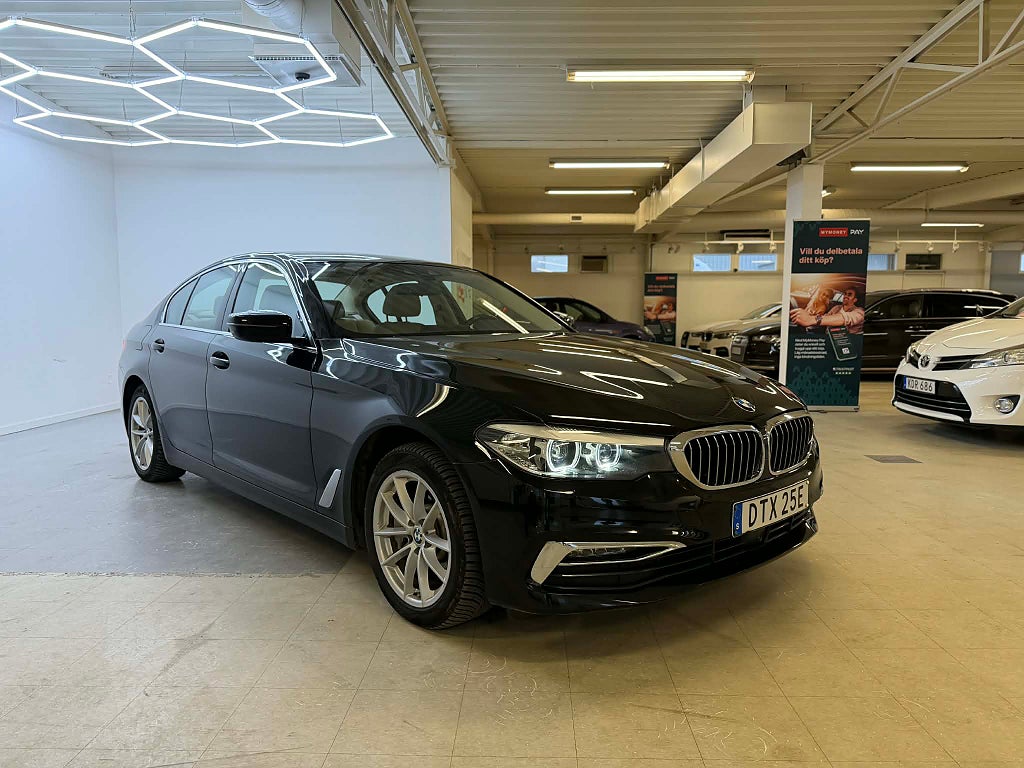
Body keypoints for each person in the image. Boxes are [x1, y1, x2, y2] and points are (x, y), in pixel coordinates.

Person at [790, 286, 864, 334]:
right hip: (828, 338)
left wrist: (811, 319)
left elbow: (845, 319)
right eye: (845, 294)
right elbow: (825, 317)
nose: (845, 296)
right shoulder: (836, 308)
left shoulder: (859, 312)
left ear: (855, 300)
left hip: (846, 342)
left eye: (849, 294)